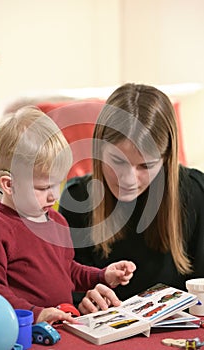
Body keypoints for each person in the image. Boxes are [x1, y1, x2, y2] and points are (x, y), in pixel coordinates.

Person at [0, 106, 136, 325]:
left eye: (57, 184)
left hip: (63, 325)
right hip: (22, 331)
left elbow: (68, 269)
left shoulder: (56, 221)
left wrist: (102, 275)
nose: (54, 196)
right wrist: (36, 313)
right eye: (42, 188)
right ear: (9, 185)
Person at [59, 83, 204, 308]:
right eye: (117, 161)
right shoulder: (77, 198)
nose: (128, 179)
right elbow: (64, 287)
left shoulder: (197, 193)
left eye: (145, 166)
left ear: (166, 158)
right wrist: (80, 301)